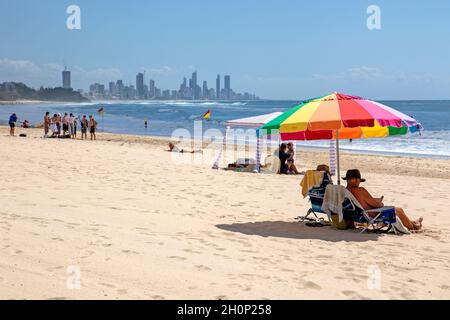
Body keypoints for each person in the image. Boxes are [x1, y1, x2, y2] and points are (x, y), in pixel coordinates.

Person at [344, 169, 423, 231]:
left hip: (356, 215)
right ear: (357, 180)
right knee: (398, 210)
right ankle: (414, 227)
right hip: (370, 215)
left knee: (398, 210)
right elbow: (376, 205)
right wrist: (380, 202)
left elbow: (361, 202)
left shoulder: (345, 191)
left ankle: (413, 222)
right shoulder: (360, 190)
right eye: (359, 180)